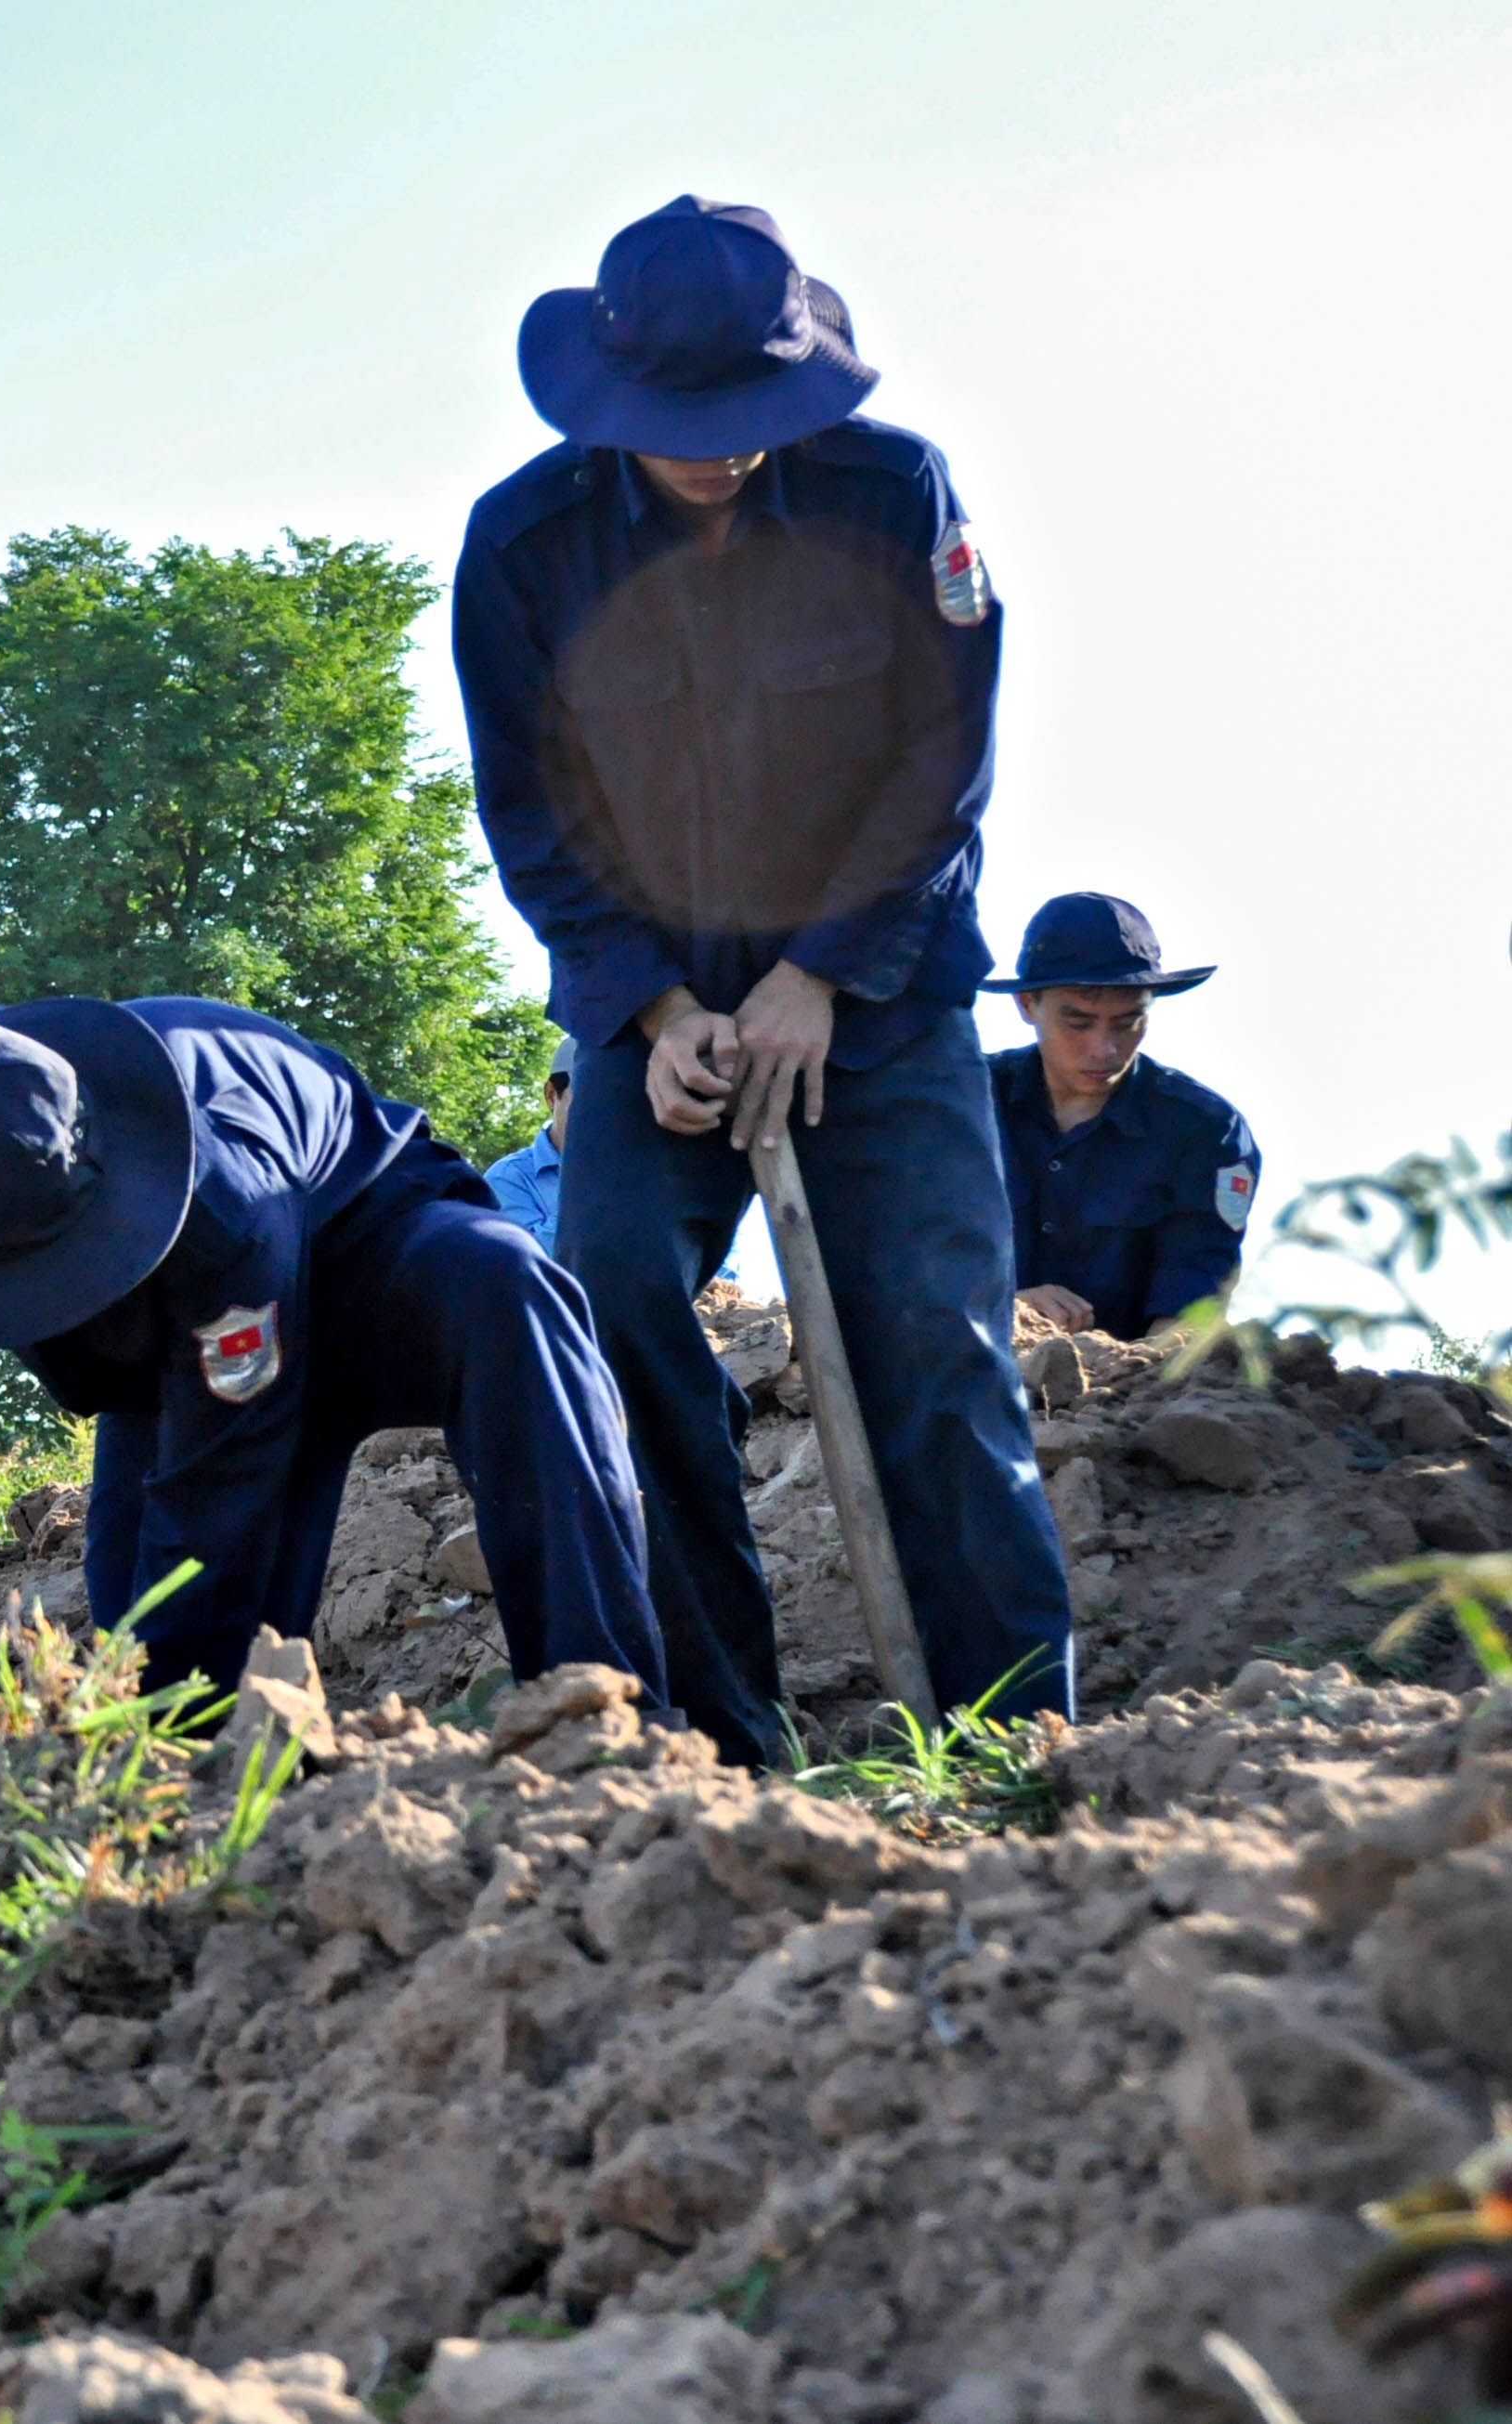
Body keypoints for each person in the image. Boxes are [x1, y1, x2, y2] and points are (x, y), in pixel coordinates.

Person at [452, 195, 1075, 1761]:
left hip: (877, 992)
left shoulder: (894, 495)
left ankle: (1015, 1756)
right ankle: (729, 1757)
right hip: (652, 1008)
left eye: (751, 416)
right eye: (684, 424)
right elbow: (530, 812)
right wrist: (655, 1013)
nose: (720, 448)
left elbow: (944, 760)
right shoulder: (523, 549)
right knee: (608, 1302)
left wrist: (821, 976)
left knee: (934, 1347)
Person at [0, 996, 667, 1708]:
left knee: (504, 1283)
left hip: (363, 1247)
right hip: (168, 1320)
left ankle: (594, 1716)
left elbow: (220, 1490)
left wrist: (174, 1710)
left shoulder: (225, 1203)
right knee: (146, 1642)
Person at [984, 893, 1258, 1337]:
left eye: (1128, 1022)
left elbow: (1191, 1307)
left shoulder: (1206, 1132)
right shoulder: (965, 1104)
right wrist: (1007, 1308)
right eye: (1079, 1023)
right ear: (1027, 1005)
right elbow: (907, 1255)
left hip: (1126, 1394)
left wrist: (1131, 1377)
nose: (1104, 1049)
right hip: (964, 1370)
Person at [483, 1036, 579, 1256]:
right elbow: (524, 1268)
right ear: (552, 1096)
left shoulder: (646, 1169)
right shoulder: (506, 1180)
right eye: (589, 1100)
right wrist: (587, 1184)